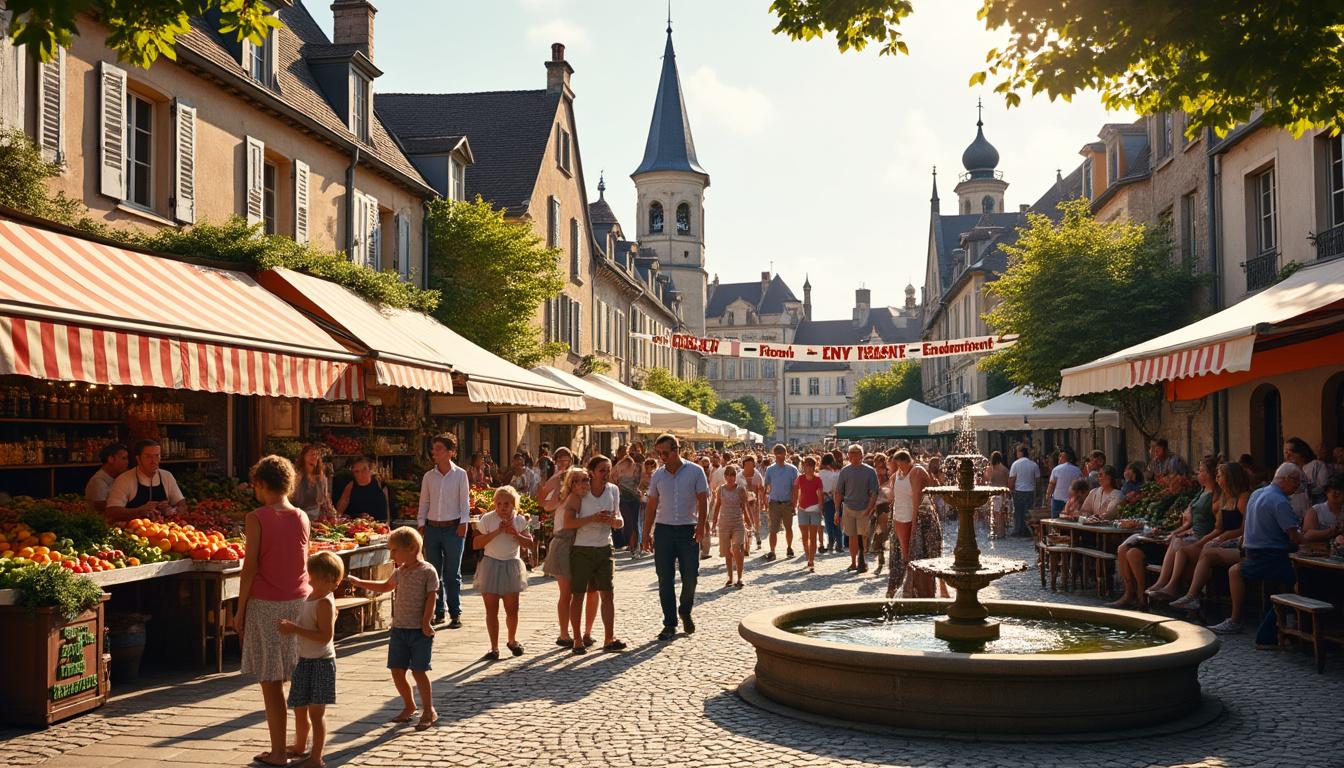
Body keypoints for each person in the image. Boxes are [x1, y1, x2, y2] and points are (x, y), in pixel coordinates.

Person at [234, 455, 311, 766]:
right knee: (298, 674)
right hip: (300, 602)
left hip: (266, 605)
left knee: (271, 681)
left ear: (261, 484)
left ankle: (279, 752)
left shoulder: (257, 518)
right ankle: (301, 743)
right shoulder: (302, 516)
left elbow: (249, 567)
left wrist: (240, 609)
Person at [345, 527, 438, 729]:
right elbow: (385, 586)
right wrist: (361, 582)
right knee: (397, 671)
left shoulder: (428, 571)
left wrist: (426, 621)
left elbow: (432, 597)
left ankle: (429, 710)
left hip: (419, 631)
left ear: (412, 548)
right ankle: (409, 705)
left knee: (419, 671)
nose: (391, 554)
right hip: (399, 630)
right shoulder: (399, 571)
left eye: (394, 550)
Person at [1205, 463, 1305, 642]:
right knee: (1301, 580)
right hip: (1270, 558)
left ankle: (1271, 626)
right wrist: (1321, 535)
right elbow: (1294, 537)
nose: (1298, 486)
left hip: (1253, 555)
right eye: (1296, 481)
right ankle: (1290, 627)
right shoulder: (1280, 501)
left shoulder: (1257, 494)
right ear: (1287, 479)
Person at [641, 433, 709, 641]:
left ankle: (685, 609)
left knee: (691, 576)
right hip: (664, 530)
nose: (662, 457)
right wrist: (646, 533)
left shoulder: (695, 471)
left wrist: (701, 526)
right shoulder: (658, 476)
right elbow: (651, 506)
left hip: (688, 528)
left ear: (676, 450)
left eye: (666, 453)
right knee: (664, 578)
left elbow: (703, 500)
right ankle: (669, 623)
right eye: (659, 453)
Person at [279, 551, 342, 768]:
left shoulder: (323, 601)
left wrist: (294, 629)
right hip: (304, 660)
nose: (309, 578)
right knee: (299, 707)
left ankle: (316, 757)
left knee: (316, 713)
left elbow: (325, 636)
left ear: (326, 579)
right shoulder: (312, 596)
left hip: (321, 663)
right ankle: (299, 746)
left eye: (313, 575)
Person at [1165, 463, 1252, 611]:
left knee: (1204, 551)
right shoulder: (1225, 497)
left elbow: (1246, 527)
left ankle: (1193, 596)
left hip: (1238, 542)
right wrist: (1202, 542)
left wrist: (1222, 537)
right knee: (1184, 551)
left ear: (1230, 478)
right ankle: (1176, 588)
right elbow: (1219, 527)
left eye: (1219, 476)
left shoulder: (1244, 497)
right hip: (1222, 540)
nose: (1217, 479)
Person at [566, 455, 625, 654]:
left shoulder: (613, 490)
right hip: (582, 548)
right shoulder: (581, 492)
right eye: (602, 470)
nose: (606, 474)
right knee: (579, 595)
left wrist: (613, 521)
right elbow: (568, 523)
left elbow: (619, 519)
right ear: (591, 472)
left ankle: (609, 637)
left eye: (608, 470)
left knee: (608, 594)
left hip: (605, 548)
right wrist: (592, 518)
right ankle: (576, 639)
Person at [542, 461, 597, 648]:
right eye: (577, 481)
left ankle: (580, 633)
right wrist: (558, 479)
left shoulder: (588, 498)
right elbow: (545, 503)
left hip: (580, 544)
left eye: (586, 480)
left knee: (583, 591)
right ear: (571, 483)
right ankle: (564, 634)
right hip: (564, 543)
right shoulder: (566, 498)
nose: (583, 484)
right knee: (567, 593)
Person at [473, 486, 533, 660]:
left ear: (513, 504)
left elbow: (529, 543)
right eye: (499, 504)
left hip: (511, 565)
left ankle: (512, 640)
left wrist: (514, 533)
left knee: (512, 610)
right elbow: (476, 543)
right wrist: (498, 531)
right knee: (491, 610)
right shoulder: (487, 520)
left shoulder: (520, 521)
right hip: (490, 565)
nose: (502, 508)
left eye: (506, 504)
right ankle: (493, 647)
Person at [417, 434, 470, 628]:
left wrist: (464, 523)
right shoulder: (429, 476)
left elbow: (464, 501)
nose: (434, 452)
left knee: (452, 573)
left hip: (453, 528)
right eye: (434, 448)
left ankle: (455, 612)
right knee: (433, 572)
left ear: (451, 452)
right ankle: (438, 611)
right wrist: (421, 523)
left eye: (439, 448)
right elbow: (424, 501)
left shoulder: (460, 474)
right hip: (432, 528)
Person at [887, 451, 945, 598]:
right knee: (902, 558)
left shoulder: (917, 471)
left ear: (906, 462)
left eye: (899, 464)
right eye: (895, 465)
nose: (898, 467)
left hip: (922, 519)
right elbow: (895, 501)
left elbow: (916, 503)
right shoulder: (897, 476)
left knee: (927, 555)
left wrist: (913, 528)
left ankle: (928, 592)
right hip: (901, 518)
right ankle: (905, 591)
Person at [104, 439, 187, 523]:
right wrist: (139, 511)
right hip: (133, 531)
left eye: (157, 456)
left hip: (164, 531)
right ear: (138, 459)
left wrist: (173, 511)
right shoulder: (124, 480)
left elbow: (181, 504)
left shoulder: (167, 476)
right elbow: (112, 511)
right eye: (148, 456)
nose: (154, 461)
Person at [835, 444, 879, 574]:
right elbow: (838, 491)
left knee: (863, 536)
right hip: (848, 507)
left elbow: (874, 492)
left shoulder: (870, 471)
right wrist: (837, 510)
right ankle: (854, 562)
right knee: (852, 536)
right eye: (851, 453)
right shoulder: (845, 471)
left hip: (864, 508)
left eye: (856, 453)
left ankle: (862, 559)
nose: (854, 456)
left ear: (862, 455)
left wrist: (870, 508)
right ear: (848, 455)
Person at [712, 465, 750, 587]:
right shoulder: (721, 490)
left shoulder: (741, 490)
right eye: (727, 475)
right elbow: (717, 506)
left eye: (732, 475)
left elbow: (744, 507)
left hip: (738, 522)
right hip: (724, 523)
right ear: (724, 477)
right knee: (727, 552)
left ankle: (740, 577)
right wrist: (713, 523)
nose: (730, 478)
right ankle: (730, 577)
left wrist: (749, 522)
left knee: (736, 548)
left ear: (735, 476)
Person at [763, 444, 800, 561]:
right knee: (773, 529)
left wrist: (795, 503)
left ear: (785, 454)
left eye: (782, 454)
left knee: (788, 527)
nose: (780, 457)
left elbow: (796, 488)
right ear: (774, 455)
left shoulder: (792, 469)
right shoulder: (770, 469)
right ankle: (772, 551)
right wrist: (765, 501)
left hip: (787, 503)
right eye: (777, 454)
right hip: (774, 503)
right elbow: (766, 487)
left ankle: (789, 548)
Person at [794, 456, 825, 572]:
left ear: (814, 466)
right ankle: (808, 556)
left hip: (814, 509)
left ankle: (811, 559)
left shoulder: (818, 480)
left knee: (813, 537)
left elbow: (820, 495)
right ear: (804, 467)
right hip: (802, 509)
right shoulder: (800, 478)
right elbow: (796, 491)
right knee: (804, 536)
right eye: (806, 466)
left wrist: (821, 509)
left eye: (811, 466)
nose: (809, 468)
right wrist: (795, 504)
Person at [336, 457, 389, 523]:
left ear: (370, 469)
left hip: (380, 525)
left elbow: (387, 505)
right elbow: (343, 503)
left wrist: (387, 523)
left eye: (364, 470)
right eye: (356, 471)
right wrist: (337, 518)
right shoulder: (351, 485)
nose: (360, 474)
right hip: (358, 526)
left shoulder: (380, 483)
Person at [1284, 437, 1330, 512]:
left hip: (1314, 510)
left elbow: (1323, 486)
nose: (1288, 455)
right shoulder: (1286, 469)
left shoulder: (1317, 464)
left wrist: (1306, 487)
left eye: (1292, 451)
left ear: (1301, 451)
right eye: (1286, 452)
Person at [291, 444, 334, 522]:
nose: (314, 457)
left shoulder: (321, 477)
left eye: (316, 454)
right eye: (311, 454)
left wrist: (332, 515)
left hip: (316, 516)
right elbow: (290, 494)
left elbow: (325, 497)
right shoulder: (297, 475)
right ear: (303, 457)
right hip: (298, 515)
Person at [85, 442, 128, 514]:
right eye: (124, 458)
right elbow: (105, 508)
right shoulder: (98, 481)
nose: (127, 462)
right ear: (111, 459)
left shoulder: (117, 478)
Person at [1302, 475, 1344, 547]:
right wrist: (1333, 531)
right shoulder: (1315, 510)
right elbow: (1308, 535)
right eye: (1333, 489)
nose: (1337, 492)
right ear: (1326, 491)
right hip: (1319, 553)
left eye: (1341, 490)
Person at [1007, 445, 1040, 537]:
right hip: (1030, 491)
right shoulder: (1033, 464)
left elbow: (1012, 479)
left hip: (1019, 491)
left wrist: (1010, 490)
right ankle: (1027, 530)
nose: (1016, 454)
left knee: (1018, 511)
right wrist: (1038, 493)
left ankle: (1018, 530)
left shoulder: (1015, 464)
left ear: (1021, 452)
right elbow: (1038, 480)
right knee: (1028, 512)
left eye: (1017, 452)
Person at [870, 455, 893, 573]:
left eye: (880, 463)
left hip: (886, 507)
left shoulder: (890, 475)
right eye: (877, 463)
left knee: (883, 534)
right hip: (878, 508)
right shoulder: (873, 475)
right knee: (879, 535)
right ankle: (881, 560)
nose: (878, 466)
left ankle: (886, 562)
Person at [739, 456, 766, 553]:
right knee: (746, 523)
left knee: (756, 521)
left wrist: (763, 501)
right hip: (743, 504)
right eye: (747, 465)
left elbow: (762, 489)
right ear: (744, 465)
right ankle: (748, 544)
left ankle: (758, 535)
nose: (749, 467)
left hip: (755, 503)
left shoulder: (757, 475)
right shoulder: (739, 476)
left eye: (751, 464)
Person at [1045, 448, 1083, 517]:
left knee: (1056, 521)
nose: (1059, 459)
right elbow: (1081, 485)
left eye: (1060, 456)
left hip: (1058, 500)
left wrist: (1047, 496)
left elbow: (1051, 484)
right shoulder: (1077, 470)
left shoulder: (1056, 469)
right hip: (1072, 500)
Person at [819, 454, 843, 552]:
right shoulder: (835, 475)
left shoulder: (819, 474)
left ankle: (831, 541)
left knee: (828, 522)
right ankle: (839, 544)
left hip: (824, 500)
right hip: (835, 499)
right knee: (837, 522)